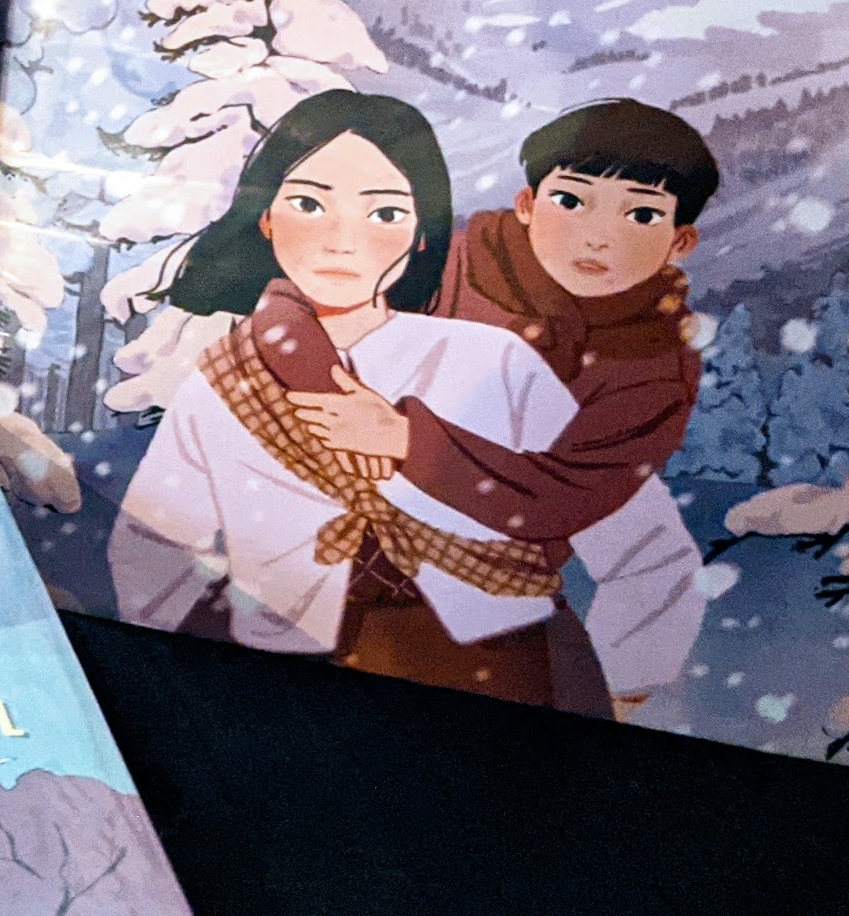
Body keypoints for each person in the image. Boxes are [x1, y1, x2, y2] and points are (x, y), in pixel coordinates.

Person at [106, 91, 594, 708]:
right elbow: (153, 546)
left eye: (385, 213)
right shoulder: (225, 376)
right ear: (265, 219)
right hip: (288, 685)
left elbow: (605, 511)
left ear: (422, 233)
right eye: (309, 204)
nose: (342, 240)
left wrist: (417, 446)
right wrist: (221, 652)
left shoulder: (493, 361)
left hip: (496, 672)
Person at [295, 101, 720, 720]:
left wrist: (413, 443)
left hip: (488, 584)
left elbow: (577, 496)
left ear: (680, 241)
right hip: (328, 545)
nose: (598, 235)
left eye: (642, 214)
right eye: (570, 201)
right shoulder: (448, 264)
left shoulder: (649, 364)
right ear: (527, 204)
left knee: (650, 558)